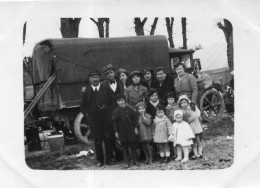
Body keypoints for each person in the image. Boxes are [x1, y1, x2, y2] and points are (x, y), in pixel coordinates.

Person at [80, 70, 114, 167]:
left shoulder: (106, 88)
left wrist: (110, 114)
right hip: (94, 120)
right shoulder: (86, 91)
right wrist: (88, 116)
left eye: (96, 77)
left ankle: (109, 158)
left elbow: (112, 102)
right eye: (92, 77)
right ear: (89, 79)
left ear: (99, 78)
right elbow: (82, 106)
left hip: (106, 118)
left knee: (108, 138)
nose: (95, 79)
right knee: (97, 140)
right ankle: (100, 160)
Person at [101, 64, 124, 162]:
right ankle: (110, 157)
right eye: (107, 74)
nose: (110, 75)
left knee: (121, 133)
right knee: (109, 136)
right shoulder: (102, 85)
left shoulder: (120, 82)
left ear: (114, 73)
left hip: (120, 111)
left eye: (111, 72)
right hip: (108, 114)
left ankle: (121, 155)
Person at [111, 94, 139, 168]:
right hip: (122, 131)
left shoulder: (129, 108)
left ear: (125, 100)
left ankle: (135, 160)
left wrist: (135, 128)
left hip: (130, 130)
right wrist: (116, 132)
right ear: (117, 102)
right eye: (119, 101)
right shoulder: (116, 111)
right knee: (124, 146)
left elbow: (135, 118)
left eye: (122, 100)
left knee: (133, 145)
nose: (121, 102)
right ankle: (126, 162)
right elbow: (114, 122)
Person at [178, 95, 203, 159]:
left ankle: (200, 153)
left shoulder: (191, 108)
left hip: (194, 126)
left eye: (184, 102)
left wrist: (187, 121)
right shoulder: (181, 111)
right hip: (188, 128)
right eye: (182, 103)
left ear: (187, 102)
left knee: (197, 139)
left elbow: (194, 116)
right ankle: (195, 153)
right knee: (192, 141)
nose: (183, 104)